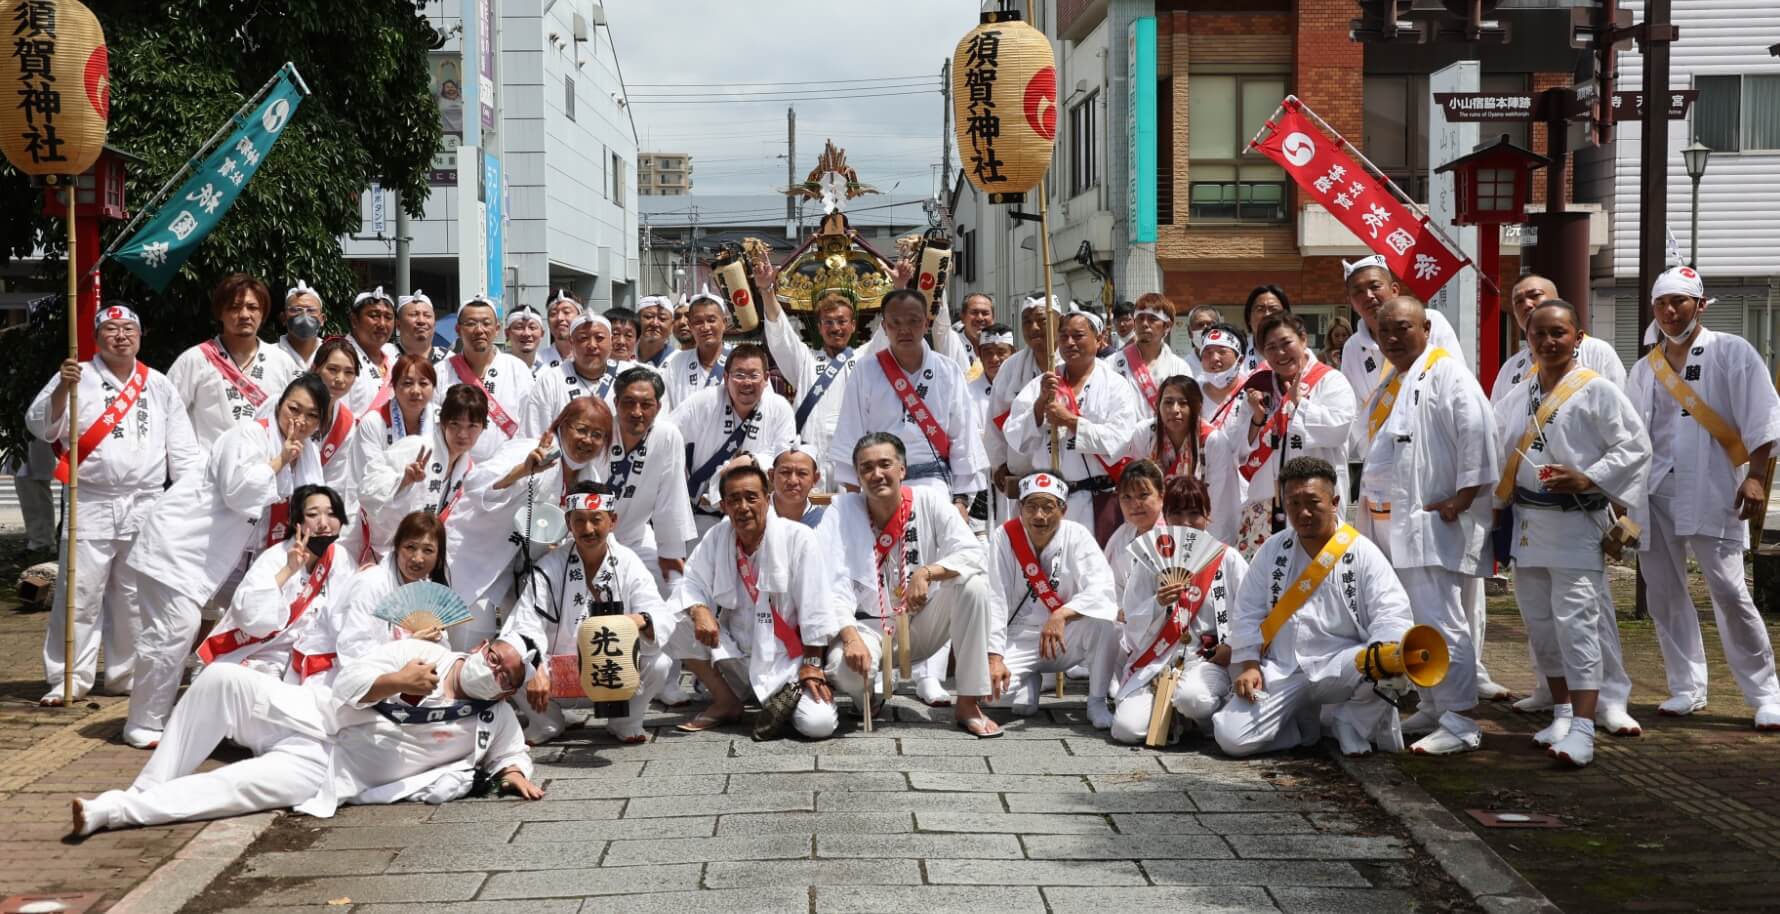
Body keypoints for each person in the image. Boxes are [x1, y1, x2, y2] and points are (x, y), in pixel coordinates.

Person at [72, 636, 541, 835]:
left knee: (233, 789)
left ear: (507, 694)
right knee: (219, 680)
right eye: (495, 657)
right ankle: (148, 788)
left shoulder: (491, 719)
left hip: (327, 771)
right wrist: (399, 681)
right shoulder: (424, 653)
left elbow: (511, 753)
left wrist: (514, 773)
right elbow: (348, 682)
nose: (493, 670)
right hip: (308, 715)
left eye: (505, 676)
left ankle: (113, 811)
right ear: (481, 647)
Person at [124, 374, 332, 748]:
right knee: (176, 628)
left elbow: (311, 503)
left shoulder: (309, 453)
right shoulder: (247, 435)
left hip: (239, 559)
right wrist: (280, 458)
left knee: (254, 622)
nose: (299, 422)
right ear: (280, 404)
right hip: (183, 547)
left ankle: (214, 712)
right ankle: (144, 721)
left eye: (311, 416)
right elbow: (239, 492)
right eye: (293, 409)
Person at [1495, 300, 1652, 764]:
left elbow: (1635, 445)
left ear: (1577, 337)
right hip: (1528, 523)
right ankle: (1562, 710)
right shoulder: (1518, 394)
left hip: (1575, 523)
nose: (1547, 341)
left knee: (1577, 623)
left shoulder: (1596, 390)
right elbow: (1496, 447)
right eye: (1538, 334)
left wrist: (1589, 477)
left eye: (1558, 333)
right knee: (1541, 625)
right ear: (1528, 339)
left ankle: (1584, 727)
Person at [1626, 266, 1780, 730]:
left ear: (1700, 303)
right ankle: (1686, 686)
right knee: (1664, 593)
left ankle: (1765, 692)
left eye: (1680, 301)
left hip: (1714, 486)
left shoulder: (1732, 352)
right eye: (1662, 303)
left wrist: (1756, 476)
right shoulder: (1644, 367)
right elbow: (1631, 435)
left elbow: (1764, 417)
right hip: (1653, 491)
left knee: (1730, 591)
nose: (1670, 311)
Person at [26, 304, 202, 705]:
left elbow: (184, 451)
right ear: (96, 336)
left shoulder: (157, 383)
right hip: (91, 498)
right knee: (80, 591)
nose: (120, 335)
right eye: (111, 329)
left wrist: (187, 501)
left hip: (145, 502)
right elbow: (39, 425)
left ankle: (126, 674)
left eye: (128, 329)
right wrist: (59, 389)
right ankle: (68, 677)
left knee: (134, 594)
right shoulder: (76, 375)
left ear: (140, 336)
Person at [1358, 297, 1499, 755]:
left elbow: (1477, 432)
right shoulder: (1394, 381)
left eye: (1402, 328)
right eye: (1384, 332)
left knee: (1442, 619)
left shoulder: (1448, 373)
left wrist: (1464, 495)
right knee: (1414, 620)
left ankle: (1461, 718)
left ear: (1425, 327)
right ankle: (1434, 703)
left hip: (1428, 521)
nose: (1393, 338)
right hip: (1387, 523)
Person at [1213, 457, 1415, 757]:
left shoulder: (1361, 552)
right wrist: (1250, 663)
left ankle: (1351, 722)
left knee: (1395, 659)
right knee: (1232, 738)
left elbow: (1391, 613)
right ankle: (1303, 727)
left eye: (1312, 502)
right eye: (1293, 503)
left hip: (1343, 665)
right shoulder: (1273, 549)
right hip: (1282, 668)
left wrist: (1385, 650)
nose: (1302, 512)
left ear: (1334, 501)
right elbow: (1247, 611)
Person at [818, 434, 1007, 737]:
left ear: (902, 469)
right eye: (867, 468)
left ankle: (969, 702)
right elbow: (829, 583)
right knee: (845, 670)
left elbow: (973, 553)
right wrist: (850, 636)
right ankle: (866, 696)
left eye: (885, 464)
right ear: (857, 476)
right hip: (867, 629)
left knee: (973, 586)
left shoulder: (929, 500)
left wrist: (928, 573)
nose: (876, 474)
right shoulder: (841, 510)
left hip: (920, 622)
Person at [667, 465, 844, 738]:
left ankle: (784, 700)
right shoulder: (718, 535)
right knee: (676, 618)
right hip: (737, 655)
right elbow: (690, 582)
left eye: (751, 497)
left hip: (787, 661)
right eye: (734, 500)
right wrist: (700, 609)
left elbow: (816, 607)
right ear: (724, 505)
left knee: (818, 725)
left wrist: (812, 664)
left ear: (767, 498)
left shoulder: (797, 537)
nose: (743, 507)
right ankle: (726, 701)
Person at [503, 483, 677, 743]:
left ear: (612, 520)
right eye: (579, 520)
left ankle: (624, 721)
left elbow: (657, 611)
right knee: (509, 663)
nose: (588, 529)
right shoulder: (550, 566)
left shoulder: (628, 562)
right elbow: (524, 623)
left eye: (596, 520)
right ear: (568, 522)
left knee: (660, 663)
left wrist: (634, 620)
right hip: (558, 673)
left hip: (612, 673)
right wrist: (534, 665)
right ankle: (546, 722)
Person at [451, 398, 612, 648]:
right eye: (581, 429)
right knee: (468, 644)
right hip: (475, 560)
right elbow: (474, 484)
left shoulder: (591, 478)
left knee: (519, 650)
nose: (588, 440)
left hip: (526, 576)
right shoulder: (530, 449)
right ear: (563, 425)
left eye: (597, 435)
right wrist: (522, 470)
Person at [1110, 473, 1246, 745]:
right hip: (1158, 659)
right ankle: (1170, 713)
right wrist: (1157, 603)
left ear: (1208, 514)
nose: (1185, 523)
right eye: (1177, 513)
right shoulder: (1152, 557)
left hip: (1206, 660)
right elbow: (1132, 619)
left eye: (1194, 513)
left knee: (1193, 699)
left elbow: (1250, 612)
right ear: (1166, 516)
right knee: (1126, 730)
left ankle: (1201, 720)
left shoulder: (1227, 559)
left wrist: (1232, 645)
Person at [1210, 312, 1356, 558]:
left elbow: (1339, 429)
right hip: (1264, 503)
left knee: (1317, 575)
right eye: (1271, 347)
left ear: (1303, 340)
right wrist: (1257, 420)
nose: (1280, 353)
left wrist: (1300, 405)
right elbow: (1236, 448)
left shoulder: (1331, 380)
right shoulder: (1259, 387)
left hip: (1313, 500)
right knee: (1267, 582)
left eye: (1286, 343)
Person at [984, 473, 1119, 727]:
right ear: (1019, 508)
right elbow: (995, 598)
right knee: (987, 694)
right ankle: (1027, 683)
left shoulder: (1077, 535)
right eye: (1031, 506)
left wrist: (1062, 614)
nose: (1039, 516)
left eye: (1048, 507)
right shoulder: (1004, 537)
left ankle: (1097, 701)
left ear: (1063, 509)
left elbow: (1102, 588)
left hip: (1065, 636)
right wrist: (994, 658)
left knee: (1105, 624)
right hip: (1018, 637)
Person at [830, 290, 988, 504]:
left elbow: (963, 436)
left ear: (926, 323)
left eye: (913, 321)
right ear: (884, 327)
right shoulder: (865, 371)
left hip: (935, 483)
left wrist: (960, 501)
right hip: (879, 483)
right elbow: (850, 435)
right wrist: (853, 501)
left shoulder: (948, 370)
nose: (904, 329)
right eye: (895, 322)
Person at [1004, 307, 1141, 543]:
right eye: (1064, 336)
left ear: (1099, 340)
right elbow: (1015, 436)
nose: (1069, 342)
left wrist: (1070, 421)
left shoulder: (1115, 385)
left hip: (1097, 498)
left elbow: (1121, 440)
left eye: (1078, 336)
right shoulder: (1044, 382)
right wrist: (1039, 406)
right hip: (1050, 498)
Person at [198, 485, 355, 681]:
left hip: (311, 658)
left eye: (331, 514)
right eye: (313, 515)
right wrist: (288, 571)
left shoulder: (340, 558)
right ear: (297, 522)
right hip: (262, 657)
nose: (324, 523)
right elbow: (251, 618)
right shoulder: (275, 559)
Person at [294, 510, 451, 685]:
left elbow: (442, 651)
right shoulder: (371, 584)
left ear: (438, 558)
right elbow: (353, 652)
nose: (417, 558)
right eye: (410, 547)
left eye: (428, 550)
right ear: (397, 547)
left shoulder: (429, 594)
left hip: (393, 677)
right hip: (331, 674)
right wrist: (410, 645)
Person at [168, 273, 305, 448]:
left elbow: (299, 415)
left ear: (263, 314)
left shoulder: (282, 362)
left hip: (267, 468)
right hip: (207, 471)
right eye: (234, 307)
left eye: (252, 307)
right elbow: (168, 414)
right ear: (220, 314)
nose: (244, 315)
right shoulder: (195, 359)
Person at [672, 343, 796, 536]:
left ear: (765, 379)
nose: (746, 382)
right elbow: (668, 435)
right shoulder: (705, 401)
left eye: (754, 375)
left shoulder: (779, 408)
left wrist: (751, 461)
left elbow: (785, 457)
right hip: (703, 513)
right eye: (739, 375)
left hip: (754, 514)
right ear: (726, 377)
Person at [756, 260, 860, 482]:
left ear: (853, 326)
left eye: (842, 321)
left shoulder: (864, 359)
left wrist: (900, 286)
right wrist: (766, 289)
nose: (835, 328)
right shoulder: (805, 360)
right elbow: (781, 333)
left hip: (852, 458)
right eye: (828, 322)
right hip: (811, 458)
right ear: (820, 328)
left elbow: (888, 332)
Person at [358, 384, 487, 561]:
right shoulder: (416, 446)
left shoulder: (469, 469)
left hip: (421, 559)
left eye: (472, 426)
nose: (463, 434)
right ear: (442, 421)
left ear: (483, 428)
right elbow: (367, 488)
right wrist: (403, 481)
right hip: (383, 550)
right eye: (455, 424)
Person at [605, 367, 696, 593]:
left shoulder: (667, 435)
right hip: (586, 536)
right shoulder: (601, 429)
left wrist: (670, 552)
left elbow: (671, 497)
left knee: (672, 587)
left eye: (646, 405)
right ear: (616, 403)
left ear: (659, 407)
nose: (637, 412)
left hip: (635, 537)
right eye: (629, 403)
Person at [1339, 255, 1466, 408]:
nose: (1368, 296)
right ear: (1351, 303)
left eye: (1375, 286)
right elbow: (1352, 409)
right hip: (1376, 431)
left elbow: (1458, 384)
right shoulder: (1352, 348)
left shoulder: (1429, 321)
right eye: (1358, 292)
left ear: (1394, 290)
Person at [435, 297, 533, 461]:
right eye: (471, 323)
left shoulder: (517, 369)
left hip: (506, 472)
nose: (479, 330)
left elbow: (529, 425)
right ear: (458, 330)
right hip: (456, 473)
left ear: (497, 329)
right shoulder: (441, 371)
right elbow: (435, 426)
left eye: (486, 323)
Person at [987, 295, 1061, 513]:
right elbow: (994, 418)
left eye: (1041, 320)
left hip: (1065, 476)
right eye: (1026, 321)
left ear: (1060, 320)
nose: (1034, 327)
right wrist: (999, 464)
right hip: (1021, 477)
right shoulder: (1011, 368)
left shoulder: (1072, 362)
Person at [522, 312, 638, 436]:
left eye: (599, 338)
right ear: (571, 344)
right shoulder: (551, 380)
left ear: (610, 342)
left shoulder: (632, 376)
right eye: (583, 338)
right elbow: (534, 434)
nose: (592, 345)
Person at [307, 339, 366, 562]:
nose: (340, 379)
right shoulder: (285, 405)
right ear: (316, 368)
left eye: (349, 372)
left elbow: (336, 481)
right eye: (332, 369)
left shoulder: (346, 421)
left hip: (310, 518)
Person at [349, 355, 438, 495]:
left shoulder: (441, 422)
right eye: (407, 383)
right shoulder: (373, 422)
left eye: (423, 383)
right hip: (377, 507)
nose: (415, 390)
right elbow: (367, 478)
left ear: (434, 387)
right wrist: (403, 480)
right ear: (394, 387)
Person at [1195, 324, 1251, 547]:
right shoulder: (1190, 393)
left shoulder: (1254, 391)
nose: (1214, 359)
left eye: (1222, 352)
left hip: (1245, 496)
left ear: (1239, 357)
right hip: (1200, 496)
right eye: (1208, 353)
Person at [1107, 293, 1193, 412]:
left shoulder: (1180, 367)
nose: (1145, 324)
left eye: (1152, 319)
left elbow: (1187, 409)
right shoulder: (1112, 363)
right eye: (1140, 318)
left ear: (1167, 326)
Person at [663, 290, 734, 406]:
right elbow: (665, 409)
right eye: (698, 322)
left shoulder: (744, 359)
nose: (705, 327)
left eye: (711, 320)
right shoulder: (676, 363)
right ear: (690, 326)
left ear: (724, 323)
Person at [1130, 375, 1203, 482]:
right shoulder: (1144, 433)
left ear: (1197, 407)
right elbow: (1139, 482)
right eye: (1168, 402)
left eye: (1183, 403)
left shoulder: (1209, 439)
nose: (1175, 410)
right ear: (1158, 405)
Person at [341, 287, 400, 417]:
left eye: (388, 317)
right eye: (374, 316)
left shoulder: (395, 358)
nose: (382, 324)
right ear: (354, 320)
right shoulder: (339, 356)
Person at [769, 444, 826, 528]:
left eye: (802, 473)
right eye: (785, 472)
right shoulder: (756, 513)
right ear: (771, 475)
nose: (793, 481)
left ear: (815, 479)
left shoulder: (823, 522)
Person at [276, 280, 326, 370]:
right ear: (283, 318)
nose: (304, 315)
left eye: (311, 310)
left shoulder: (331, 355)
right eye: (296, 310)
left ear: (322, 319)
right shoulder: (270, 354)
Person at [1240, 285, 1291, 373]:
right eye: (1260, 309)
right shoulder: (1238, 350)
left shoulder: (1298, 350)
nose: (1267, 315)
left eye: (1273, 309)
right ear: (1249, 318)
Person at [394, 290, 448, 363]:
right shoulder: (385, 356)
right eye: (414, 315)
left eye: (427, 315)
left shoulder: (449, 361)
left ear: (434, 324)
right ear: (398, 324)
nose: (421, 321)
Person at [540, 290, 583, 373]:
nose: (559, 318)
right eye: (553, 313)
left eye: (566, 312)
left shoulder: (592, 359)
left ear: (580, 317)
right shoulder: (537, 361)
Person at [502, 305, 548, 374]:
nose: (526, 333)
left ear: (542, 334)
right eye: (519, 327)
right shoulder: (498, 368)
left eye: (532, 327)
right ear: (507, 334)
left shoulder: (548, 373)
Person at [635, 295, 676, 369]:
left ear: (672, 326)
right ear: (637, 319)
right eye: (648, 316)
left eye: (662, 318)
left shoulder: (678, 360)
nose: (655, 323)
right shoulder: (624, 353)